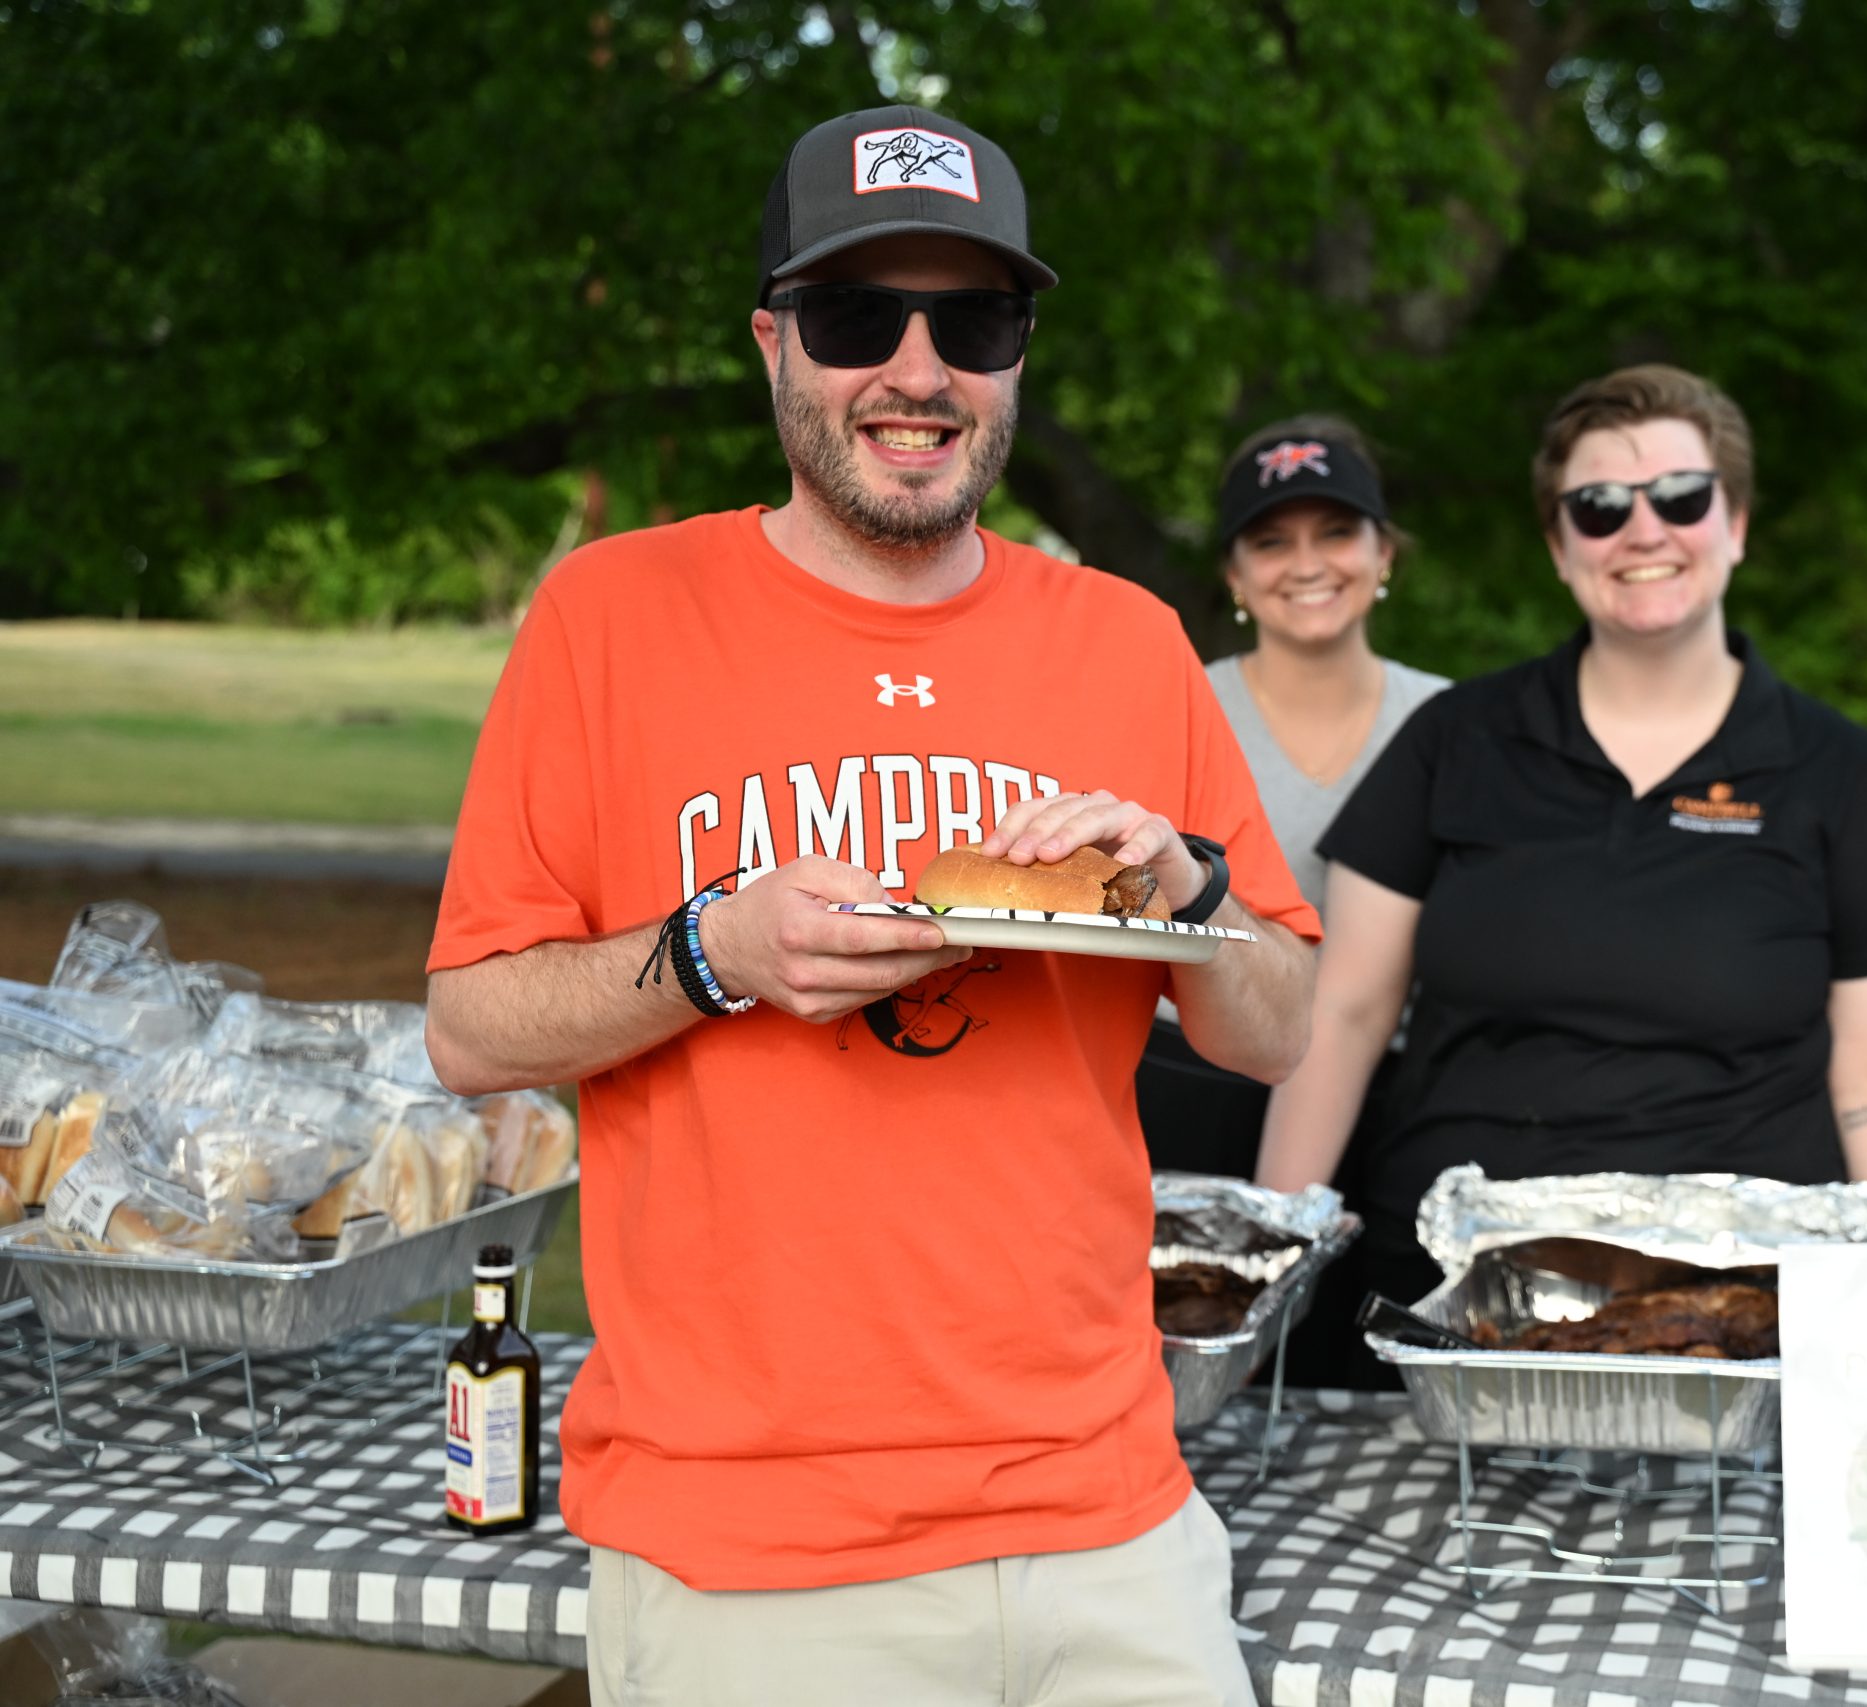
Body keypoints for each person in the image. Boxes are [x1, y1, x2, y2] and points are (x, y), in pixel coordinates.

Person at [421, 106, 1315, 1706]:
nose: (918, 370)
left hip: (1110, 1518)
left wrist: (1189, 886)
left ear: (1018, 354)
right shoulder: (613, 614)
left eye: (974, 320)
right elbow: (474, 1027)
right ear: (775, 342)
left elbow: (1276, 1022)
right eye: (857, 316)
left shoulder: (1123, 638)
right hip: (751, 1542)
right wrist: (715, 950)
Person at [1257, 363, 1867, 1319]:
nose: (1643, 529)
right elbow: (1345, 1013)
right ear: (1559, 545)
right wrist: (1279, 1257)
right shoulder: (1456, 739)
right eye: (1599, 506)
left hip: (1740, 1312)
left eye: (1681, 496)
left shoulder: (1843, 777)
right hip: (1453, 1299)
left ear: (1735, 524)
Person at [1138, 416, 1446, 1181]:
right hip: (1191, 1091)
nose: (1306, 563)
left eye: (1336, 532)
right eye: (1271, 541)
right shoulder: (1172, 710)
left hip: (1395, 1104)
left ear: (1385, 553)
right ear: (1235, 575)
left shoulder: (1452, 723)